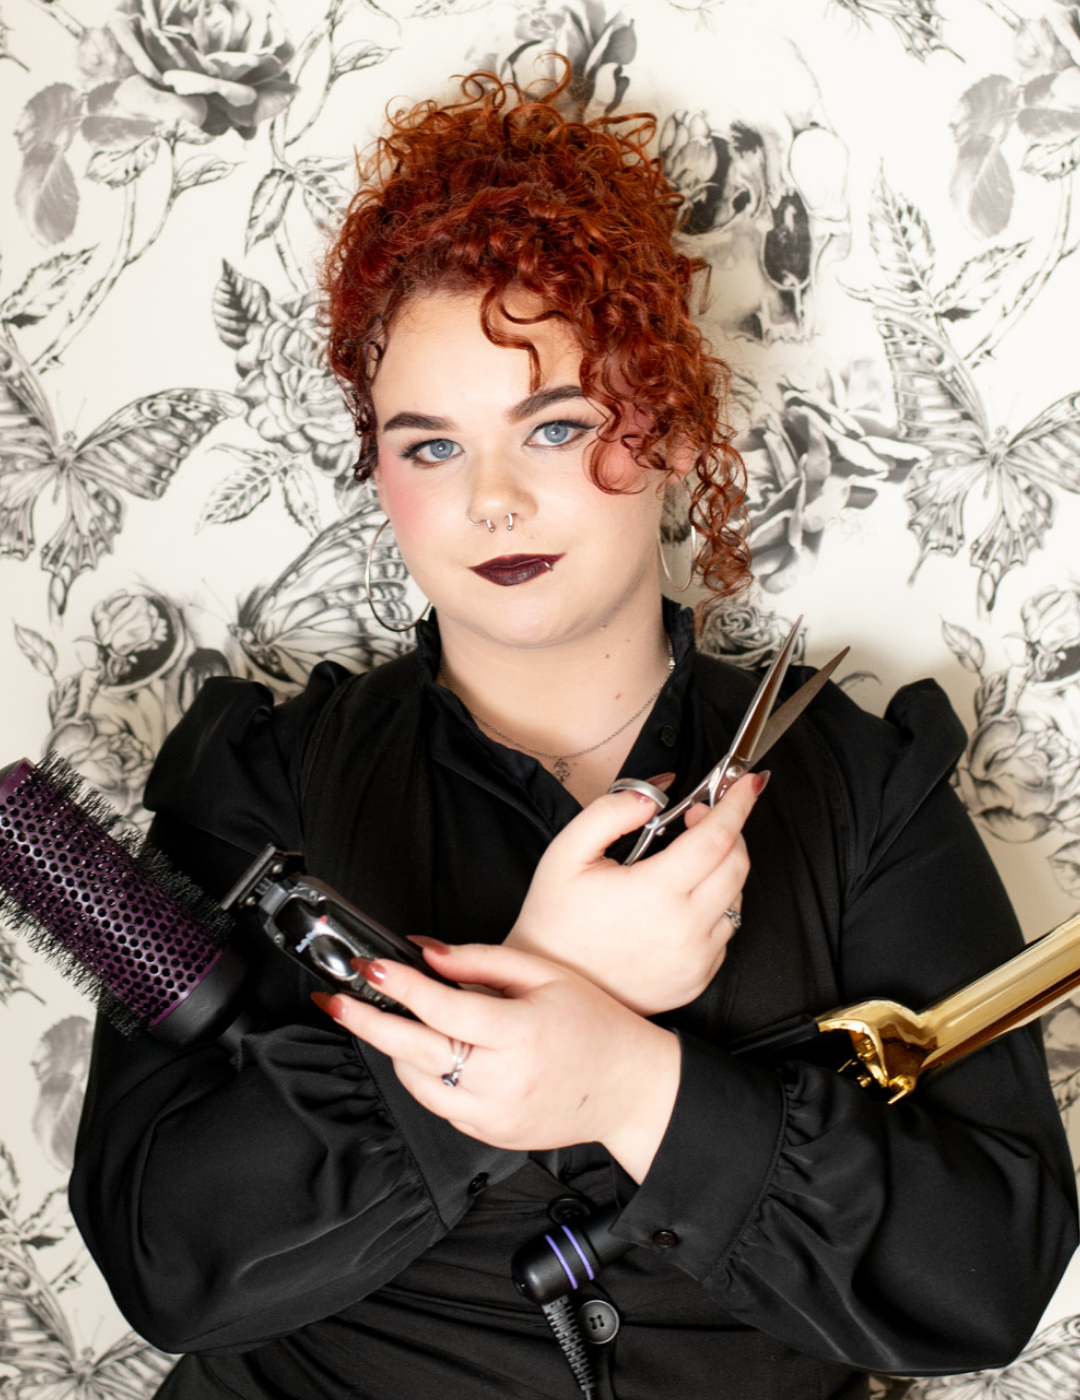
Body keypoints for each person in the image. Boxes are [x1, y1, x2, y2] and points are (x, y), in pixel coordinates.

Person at [70, 67, 1077, 1400]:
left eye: (553, 426)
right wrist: (531, 978)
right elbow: (165, 1258)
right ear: (379, 467)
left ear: (660, 426)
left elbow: (984, 1278)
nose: (493, 500)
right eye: (429, 447)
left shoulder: (858, 785)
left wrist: (630, 1087)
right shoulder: (265, 781)